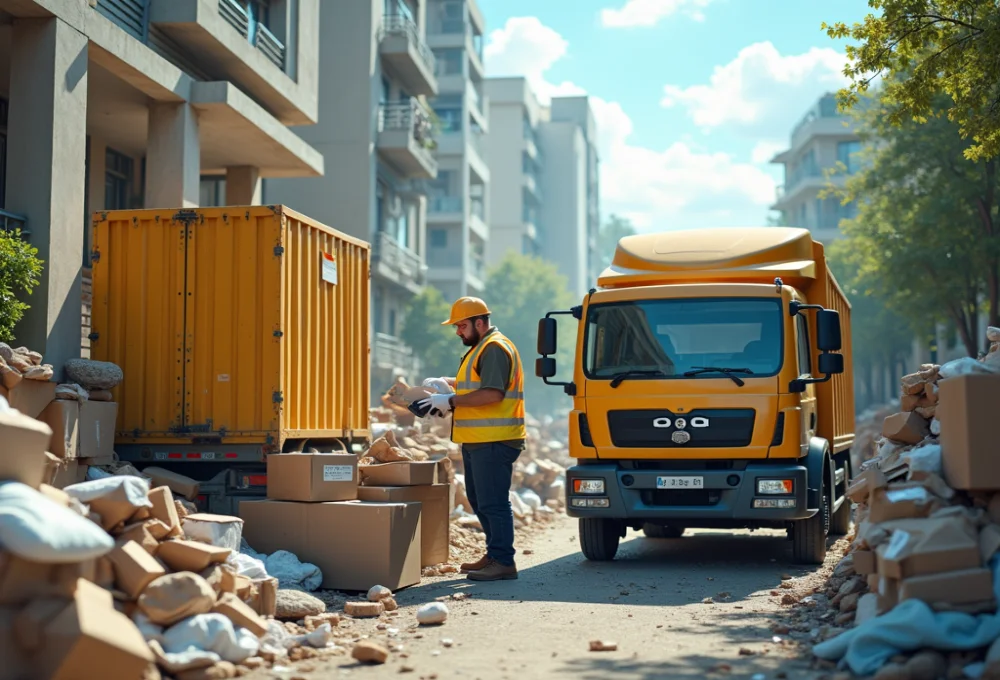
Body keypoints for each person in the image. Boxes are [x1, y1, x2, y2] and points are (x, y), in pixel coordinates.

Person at [415, 296, 526, 582]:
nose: (458, 332)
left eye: (461, 325)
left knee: (494, 502)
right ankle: (494, 553)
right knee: (480, 498)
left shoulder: (494, 348)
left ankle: (503, 561)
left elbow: (493, 393)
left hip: (494, 439)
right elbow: (478, 383)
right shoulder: (482, 348)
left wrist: (449, 399)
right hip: (480, 439)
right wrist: (448, 383)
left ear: (480, 322)